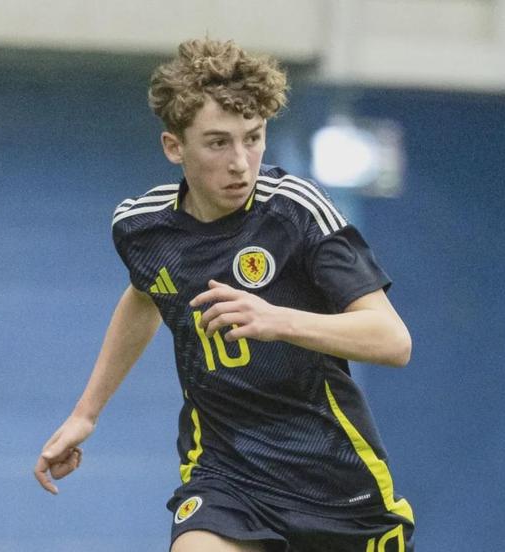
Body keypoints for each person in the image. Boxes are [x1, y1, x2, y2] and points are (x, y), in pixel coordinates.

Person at [34, 38, 415, 552]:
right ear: (174, 147)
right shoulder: (142, 228)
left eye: (253, 138)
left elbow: (393, 340)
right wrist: (86, 413)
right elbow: (146, 295)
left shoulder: (296, 212)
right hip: (226, 475)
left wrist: (277, 320)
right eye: (218, 143)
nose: (240, 162)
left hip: (335, 484)